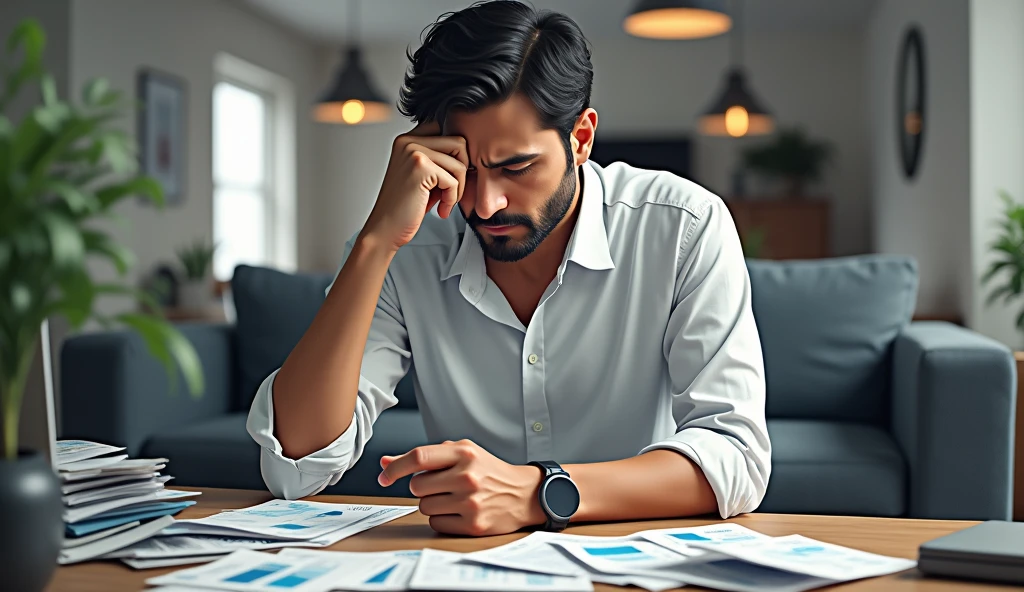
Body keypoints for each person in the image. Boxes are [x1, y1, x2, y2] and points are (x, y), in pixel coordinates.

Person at [247, 0, 770, 536]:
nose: (485, 204)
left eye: (515, 166)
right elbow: (296, 465)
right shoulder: (408, 246)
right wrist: (376, 240)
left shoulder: (683, 225)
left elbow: (737, 457)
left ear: (581, 138)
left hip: (634, 552)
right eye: (463, 170)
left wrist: (538, 492)